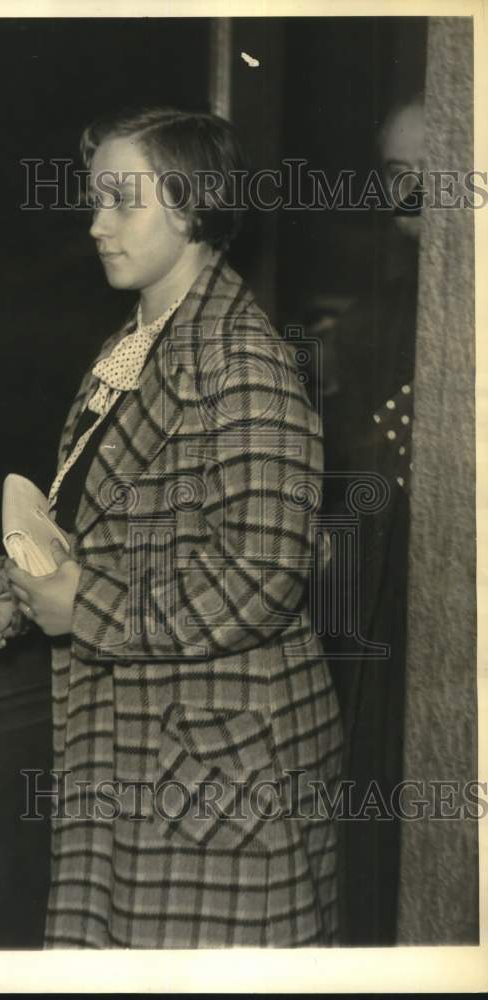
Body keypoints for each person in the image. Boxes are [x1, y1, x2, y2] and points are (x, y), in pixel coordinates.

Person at [0, 106, 343, 948]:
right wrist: (18, 586)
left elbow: (263, 577)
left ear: (191, 206)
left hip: (221, 765)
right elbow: (102, 521)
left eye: (121, 201)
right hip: (144, 740)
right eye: (94, 199)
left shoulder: (243, 361)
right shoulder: (132, 345)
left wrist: (84, 608)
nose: (96, 225)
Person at [321, 95, 423, 944]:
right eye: (397, 174)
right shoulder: (369, 326)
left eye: (433, 170)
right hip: (388, 626)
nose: (413, 191)